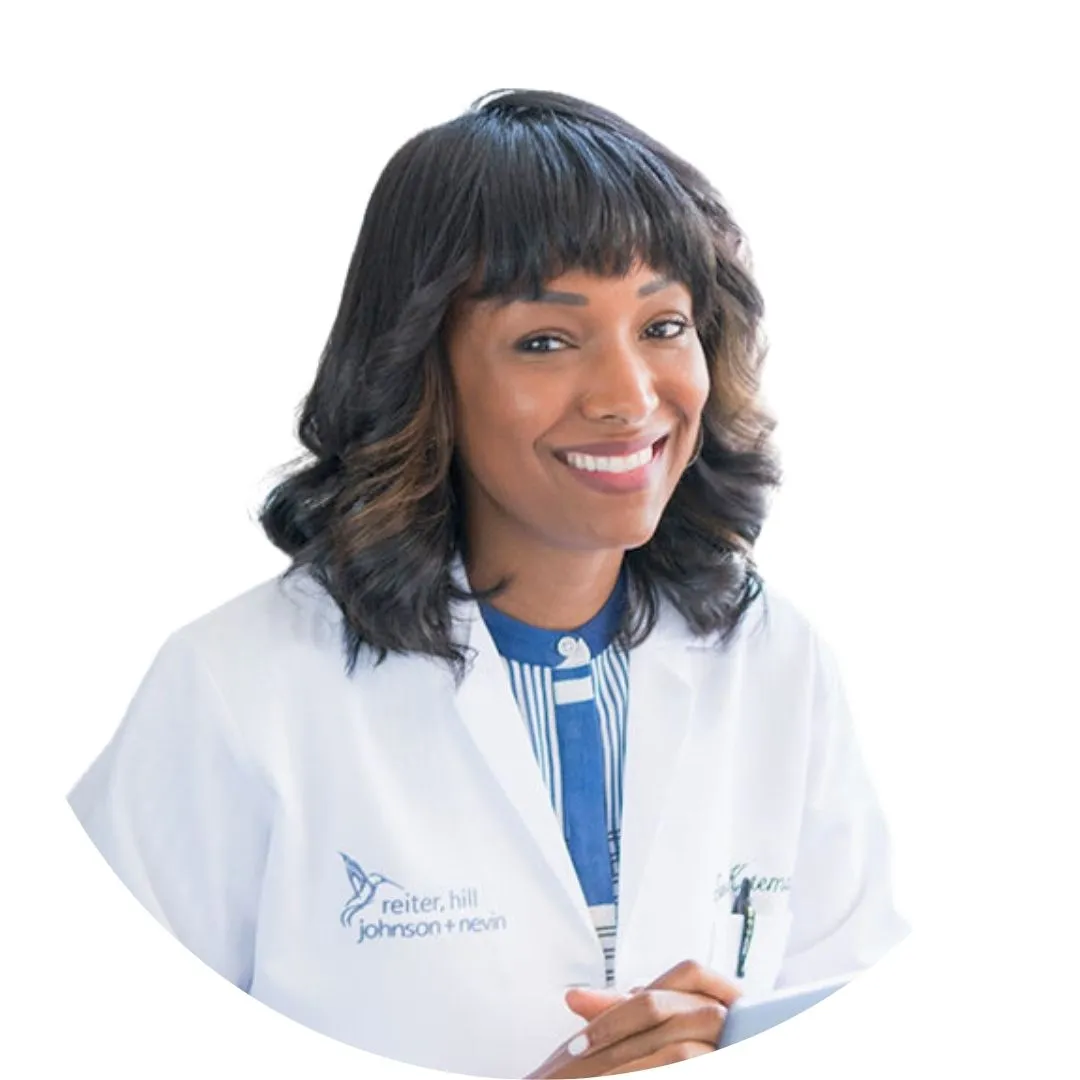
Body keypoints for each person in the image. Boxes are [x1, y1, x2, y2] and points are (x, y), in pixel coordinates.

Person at [67, 88, 909, 1077]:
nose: (629, 397)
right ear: (422, 368)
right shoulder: (236, 689)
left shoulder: (775, 662)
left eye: (663, 325)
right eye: (545, 341)